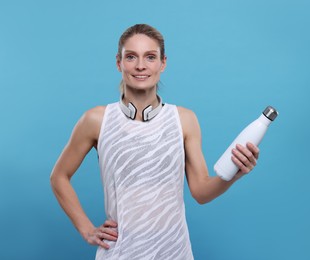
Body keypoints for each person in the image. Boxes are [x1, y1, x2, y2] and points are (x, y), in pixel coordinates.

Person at [50, 24, 259, 260]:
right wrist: (86, 229)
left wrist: (235, 174)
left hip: (175, 252)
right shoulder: (97, 119)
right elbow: (58, 176)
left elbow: (201, 192)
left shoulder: (184, 119)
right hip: (120, 253)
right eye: (131, 57)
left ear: (163, 63)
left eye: (150, 57)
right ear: (119, 63)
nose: (140, 65)